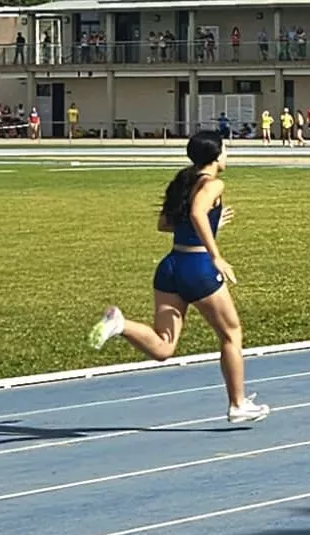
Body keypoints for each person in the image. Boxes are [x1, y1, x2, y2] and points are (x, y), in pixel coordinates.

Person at [88, 130, 268, 424]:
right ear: (216, 155)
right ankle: (238, 404)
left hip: (171, 266)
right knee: (231, 334)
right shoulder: (213, 184)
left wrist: (214, 223)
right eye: (225, 150)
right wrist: (216, 255)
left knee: (164, 346)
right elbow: (197, 214)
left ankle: (120, 324)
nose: (227, 155)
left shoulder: (183, 181)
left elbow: (165, 224)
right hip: (198, 267)